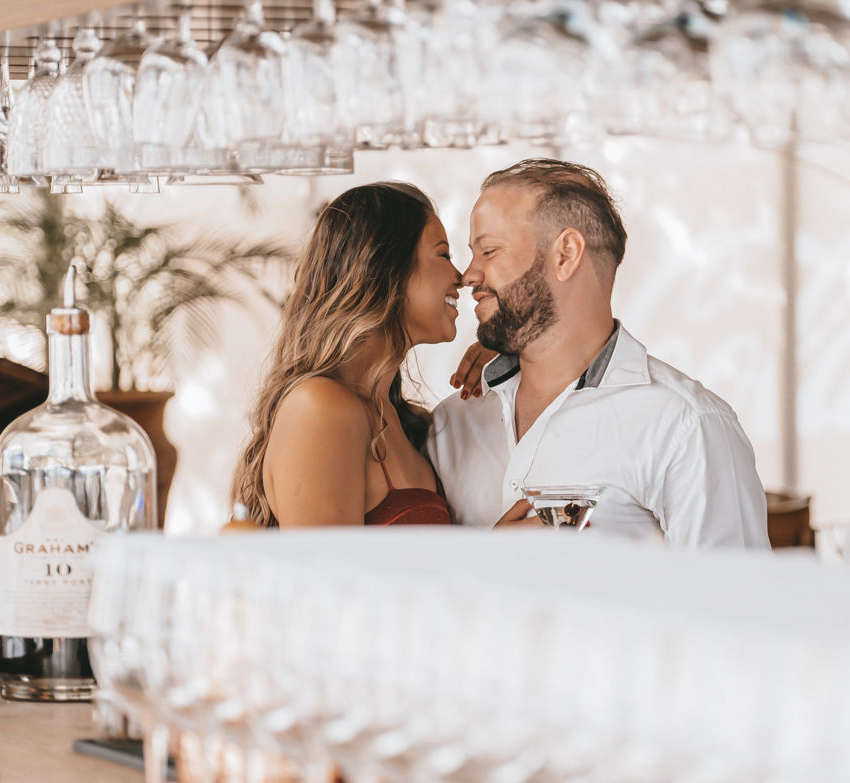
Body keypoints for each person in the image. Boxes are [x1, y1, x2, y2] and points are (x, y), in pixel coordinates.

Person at [428, 159, 770, 547]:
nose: (468, 275)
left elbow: (731, 601)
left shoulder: (687, 427)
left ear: (566, 254)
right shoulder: (449, 427)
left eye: (488, 251)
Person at [233, 182, 465, 527]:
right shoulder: (320, 407)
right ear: (387, 267)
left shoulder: (403, 419)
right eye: (444, 254)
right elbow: (328, 580)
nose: (461, 277)